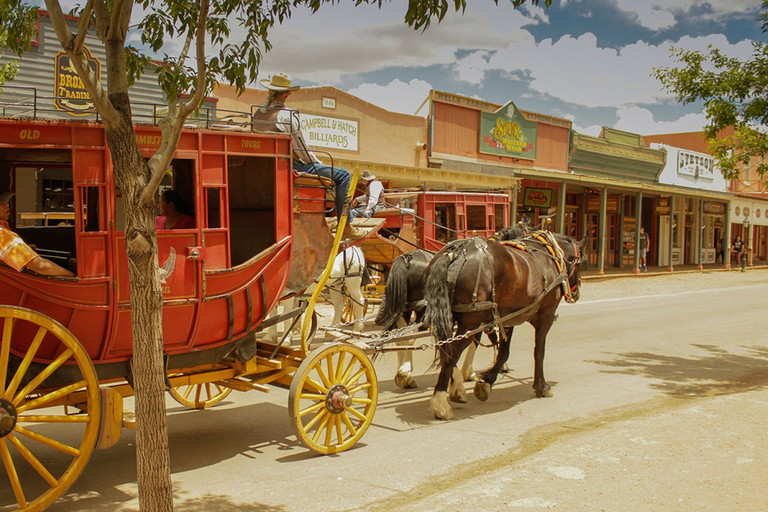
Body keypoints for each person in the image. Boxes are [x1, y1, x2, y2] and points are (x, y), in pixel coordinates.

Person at [252, 73, 363, 240]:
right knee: (343, 175)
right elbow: (302, 150)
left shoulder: (257, 115)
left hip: (265, 166)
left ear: (270, 91)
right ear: (287, 93)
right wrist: (318, 165)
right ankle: (345, 224)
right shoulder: (287, 116)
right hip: (290, 166)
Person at [0, 192, 74, 277]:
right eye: (1, 203)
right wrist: (71, 276)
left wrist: (27, 249)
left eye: (6, 201)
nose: (7, 205)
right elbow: (40, 266)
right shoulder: (3, 236)